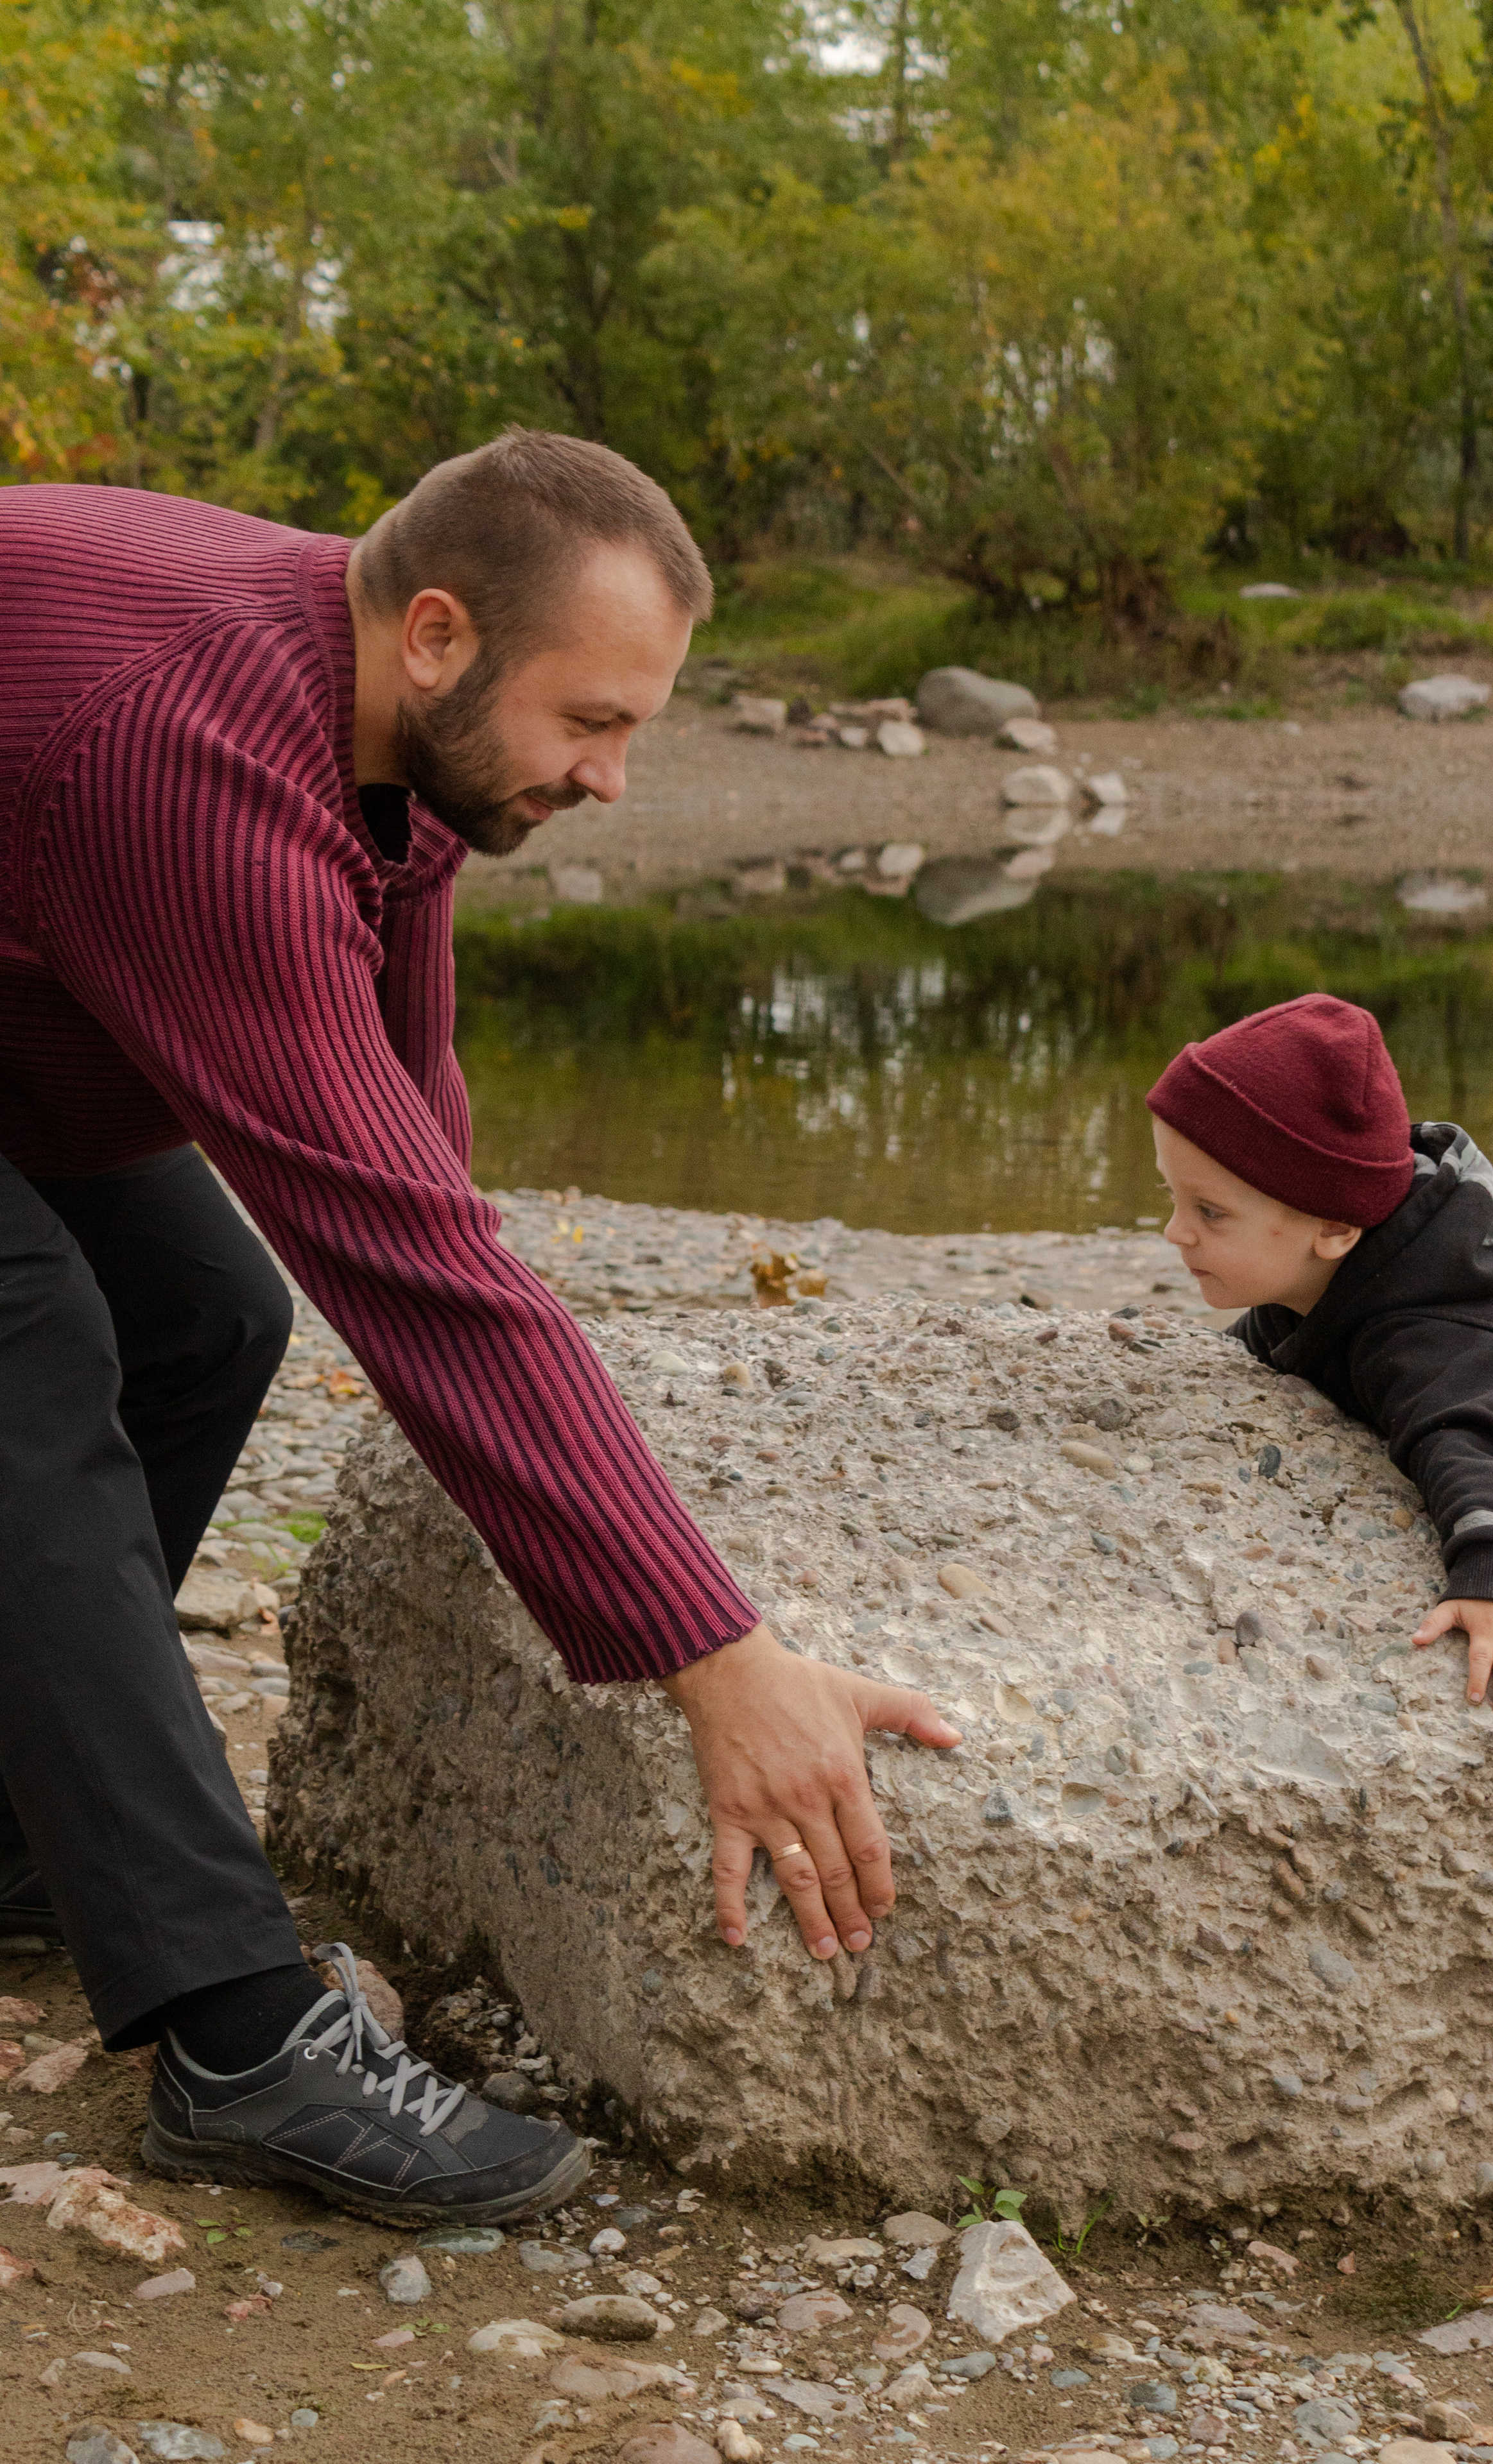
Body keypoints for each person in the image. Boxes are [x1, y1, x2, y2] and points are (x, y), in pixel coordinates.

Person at [0, 432, 959, 2225]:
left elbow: (409, 1118)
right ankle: (230, 2040)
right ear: (439, 634)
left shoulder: (378, 700)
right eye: (593, 722)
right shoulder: (193, 754)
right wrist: (717, 1656)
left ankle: (21, 1830)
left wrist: (525, 1428)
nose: (614, 776)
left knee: (203, 1310)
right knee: (27, 1341)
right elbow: (408, 1265)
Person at [1146, 991, 1493, 1721]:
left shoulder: (1428, 1327)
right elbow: (1264, 1351)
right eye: (1173, 1199)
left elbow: (1462, 1435)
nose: (1173, 1233)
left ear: (1335, 1230)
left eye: (1208, 1212)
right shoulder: (1321, 1272)